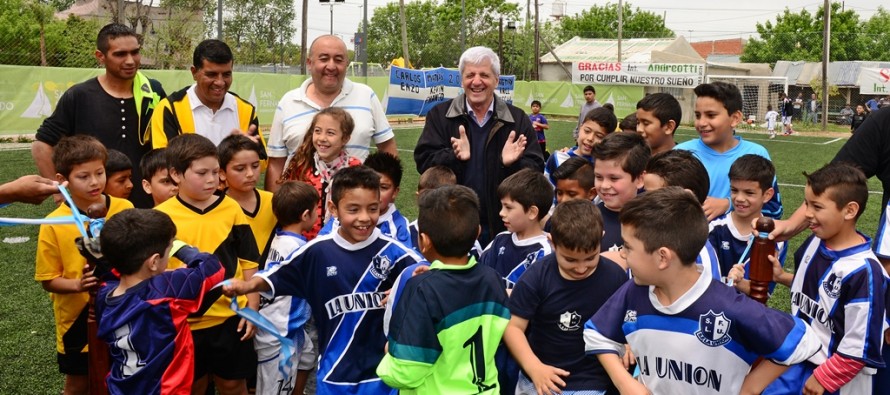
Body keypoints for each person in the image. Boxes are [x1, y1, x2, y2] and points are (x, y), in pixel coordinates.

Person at [584, 187, 821, 395]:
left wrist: (749, 389)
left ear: (663, 257)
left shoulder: (728, 306)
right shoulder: (633, 293)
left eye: (628, 247)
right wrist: (625, 383)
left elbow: (803, 341)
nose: (623, 254)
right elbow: (596, 333)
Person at [223, 166, 424, 394]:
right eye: (354, 209)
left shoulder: (395, 253)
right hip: (334, 372)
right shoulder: (317, 252)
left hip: (382, 374)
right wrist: (247, 285)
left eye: (373, 208)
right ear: (333, 209)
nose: (364, 218)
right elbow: (278, 274)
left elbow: (430, 275)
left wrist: (405, 287)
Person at [763, 162, 888, 394]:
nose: (808, 214)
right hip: (799, 359)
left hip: (834, 376)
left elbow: (861, 342)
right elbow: (822, 297)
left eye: (817, 206)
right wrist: (782, 277)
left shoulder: (864, 271)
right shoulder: (816, 241)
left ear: (849, 210)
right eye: (807, 204)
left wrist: (824, 378)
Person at [154, 133, 261, 395]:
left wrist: (253, 309)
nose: (212, 179)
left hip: (231, 318)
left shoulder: (231, 208)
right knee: (193, 386)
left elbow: (250, 262)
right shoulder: (160, 217)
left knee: (233, 385)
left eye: (215, 172)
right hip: (183, 325)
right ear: (176, 174)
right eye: (202, 173)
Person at [377, 185, 509, 394]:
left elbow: (406, 372)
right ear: (477, 233)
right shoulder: (492, 278)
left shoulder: (421, 289)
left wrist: (388, 355)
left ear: (424, 241)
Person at [414, 46, 544, 246]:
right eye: (470, 75)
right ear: (461, 80)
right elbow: (423, 162)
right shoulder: (440, 115)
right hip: (452, 224)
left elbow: (536, 169)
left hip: (503, 227)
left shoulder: (517, 119)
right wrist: (454, 156)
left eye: (484, 75)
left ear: (496, 80)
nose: (476, 81)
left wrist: (510, 164)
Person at [35, 135, 134, 394]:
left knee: (123, 379)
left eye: (99, 173)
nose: (94, 182)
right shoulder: (53, 223)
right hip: (77, 322)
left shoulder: (124, 208)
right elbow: (48, 280)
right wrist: (78, 284)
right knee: (79, 384)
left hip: (125, 315)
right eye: (83, 176)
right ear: (62, 180)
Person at [32, 23, 165, 209]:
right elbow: (41, 146)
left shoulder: (153, 91)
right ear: (100, 56)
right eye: (120, 54)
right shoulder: (80, 95)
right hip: (95, 209)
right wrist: (60, 194)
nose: (130, 60)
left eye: (135, 52)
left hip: (146, 204)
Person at [95, 209, 224, 395]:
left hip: (121, 388)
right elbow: (213, 267)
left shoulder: (104, 294)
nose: (170, 251)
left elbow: (113, 276)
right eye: (169, 249)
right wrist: (183, 249)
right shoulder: (166, 290)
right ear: (154, 261)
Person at [504, 200, 627, 395]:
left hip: (592, 379)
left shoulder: (615, 276)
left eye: (590, 258)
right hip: (541, 375)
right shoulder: (536, 277)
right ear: (552, 242)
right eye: (570, 260)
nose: (580, 268)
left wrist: (628, 343)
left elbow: (627, 318)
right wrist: (534, 368)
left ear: (601, 239)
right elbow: (513, 327)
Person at [265, 35, 397, 192]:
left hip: (355, 208)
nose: (331, 66)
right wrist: (275, 209)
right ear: (309, 63)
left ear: (346, 64)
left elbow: (387, 146)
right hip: (301, 211)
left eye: (339, 60)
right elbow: (276, 163)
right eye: (324, 58)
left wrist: (388, 191)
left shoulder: (366, 95)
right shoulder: (288, 102)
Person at [676, 82, 783, 220]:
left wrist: (728, 204)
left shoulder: (756, 153)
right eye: (698, 115)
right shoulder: (681, 153)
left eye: (711, 115)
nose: (701, 123)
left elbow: (775, 210)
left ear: (735, 118)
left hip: (738, 241)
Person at [254, 181, 318, 395]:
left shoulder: (278, 239)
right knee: (273, 390)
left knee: (308, 356)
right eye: (317, 209)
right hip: (280, 333)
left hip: (285, 327)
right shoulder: (300, 250)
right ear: (306, 215)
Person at [151, 39, 265, 157]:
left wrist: (251, 151)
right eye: (211, 75)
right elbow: (164, 164)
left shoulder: (246, 109)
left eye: (226, 74)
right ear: (194, 72)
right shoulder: (169, 109)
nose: (220, 82)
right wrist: (234, 154)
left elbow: (262, 161)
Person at [278, 106, 362, 239]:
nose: (322, 138)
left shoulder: (355, 168)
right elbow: (289, 206)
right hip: (305, 242)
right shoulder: (301, 165)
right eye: (317, 131)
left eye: (330, 133)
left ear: (345, 138)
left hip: (342, 241)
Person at [641, 150, 721, 280]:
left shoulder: (698, 254)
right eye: (645, 193)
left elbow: (706, 299)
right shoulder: (647, 234)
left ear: (686, 197)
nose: (645, 201)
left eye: (654, 196)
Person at [709, 154, 787, 288]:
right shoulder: (713, 227)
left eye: (749, 193)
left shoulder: (776, 237)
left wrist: (740, 283)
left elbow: (763, 293)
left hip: (750, 308)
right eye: (734, 190)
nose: (739, 198)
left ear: (767, 195)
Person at [479, 168, 553, 290]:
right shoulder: (500, 239)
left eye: (508, 207)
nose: (501, 213)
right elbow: (480, 274)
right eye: (501, 206)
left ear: (532, 212)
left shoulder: (544, 251)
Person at [219, 134, 277, 260]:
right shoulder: (218, 207)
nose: (250, 174)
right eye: (240, 169)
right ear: (222, 173)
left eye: (255, 166)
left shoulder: (273, 201)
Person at [593, 132, 649, 255]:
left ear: (640, 179)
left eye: (614, 178)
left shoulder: (654, 219)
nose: (604, 186)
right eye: (598, 177)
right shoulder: (587, 220)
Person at [544, 107, 616, 186]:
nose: (590, 138)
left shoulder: (606, 167)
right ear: (580, 127)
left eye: (599, 136)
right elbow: (546, 192)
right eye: (587, 131)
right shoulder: (558, 158)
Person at [408, 165, 457, 252]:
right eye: (426, 199)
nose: (432, 206)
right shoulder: (405, 233)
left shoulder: (463, 238)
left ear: (452, 201)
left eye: (439, 201)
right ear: (418, 197)